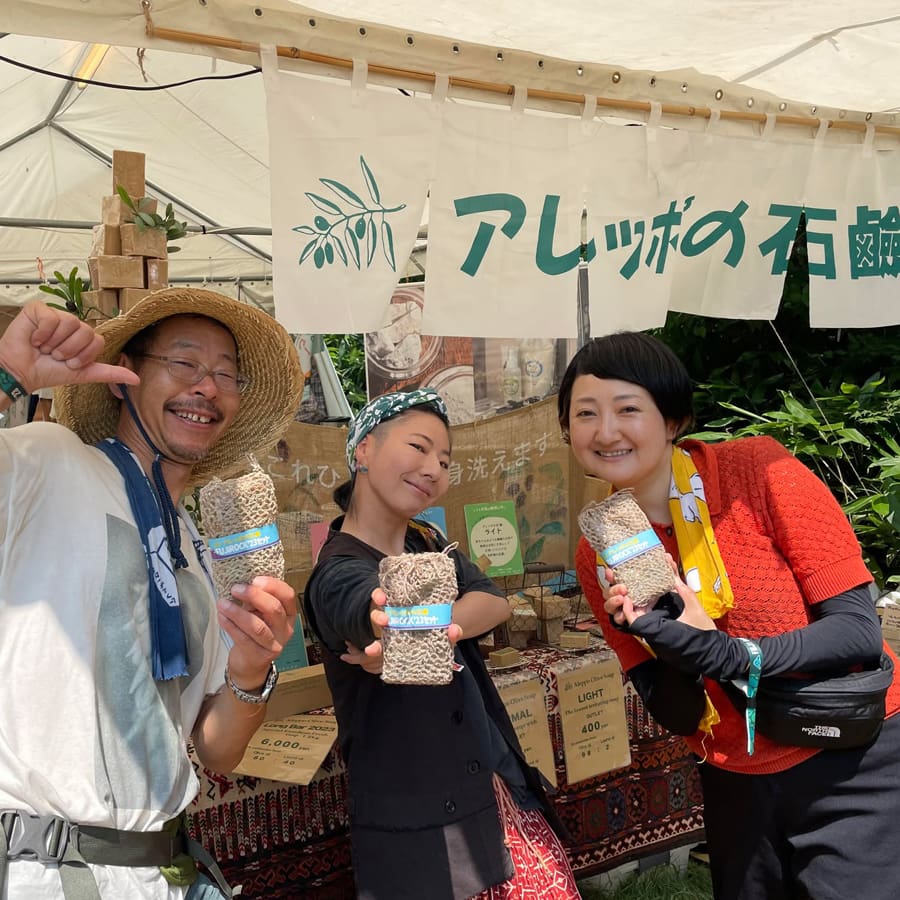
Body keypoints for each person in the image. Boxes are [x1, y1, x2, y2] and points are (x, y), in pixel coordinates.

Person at [559, 330, 900, 900]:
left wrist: (727, 653)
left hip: (849, 757)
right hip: (735, 778)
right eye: (586, 414)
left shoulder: (758, 473)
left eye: (628, 409)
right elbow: (679, 715)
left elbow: (857, 632)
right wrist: (666, 643)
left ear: (674, 420)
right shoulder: (600, 552)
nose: (606, 431)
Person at [0, 287, 305, 899]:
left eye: (226, 374)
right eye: (185, 362)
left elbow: (216, 750)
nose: (207, 387)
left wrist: (252, 670)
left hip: (167, 868)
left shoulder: (194, 546)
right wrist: (9, 376)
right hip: (52, 870)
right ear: (124, 377)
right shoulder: (52, 464)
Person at [303, 390, 580, 900]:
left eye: (446, 461)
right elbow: (366, 611)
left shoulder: (426, 542)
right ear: (363, 449)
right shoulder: (337, 569)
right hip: (424, 821)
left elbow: (493, 600)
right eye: (418, 447)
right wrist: (392, 629)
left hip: (489, 783)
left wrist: (426, 628)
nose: (434, 469)